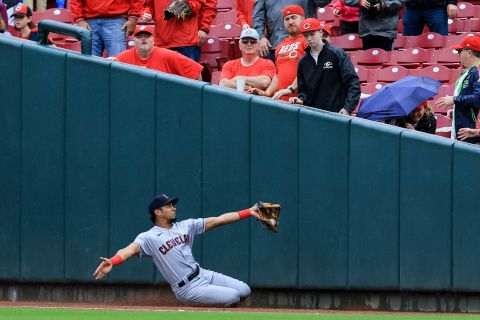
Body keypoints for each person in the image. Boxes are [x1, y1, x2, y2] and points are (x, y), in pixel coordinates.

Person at [93, 193, 260, 306]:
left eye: (173, 205)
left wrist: (249, 212)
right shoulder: (149, 237)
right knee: (232, 296)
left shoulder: (186, 226)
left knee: (245, 290)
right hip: (187, 288)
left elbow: (219, 220)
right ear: (157, 212)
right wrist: (113, 262)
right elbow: (129, 250)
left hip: (202, 274)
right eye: (169, 206)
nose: (173, 208)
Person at [289, 18, 360, 115]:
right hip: (312, 115)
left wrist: (348, 108)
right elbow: (303, 90)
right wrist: (300, 99)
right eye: (306, 36)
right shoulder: (303, 61)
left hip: (337, 114)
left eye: (312, 34)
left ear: (320, 32)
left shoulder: (337, 53)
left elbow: (353, 82)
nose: (309, 39)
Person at [249, 5, 306, 101]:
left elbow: (309, 70)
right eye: (287, 19)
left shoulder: (307, 41)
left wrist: (291, 89)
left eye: (294, 17)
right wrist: (267, 92)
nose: (290, 22)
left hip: (302, 99)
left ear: (303, 19)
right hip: (284, 101)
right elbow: (277, 75)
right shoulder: (280, 46)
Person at [109, 25, 204, 80]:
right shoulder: (124, 57)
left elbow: (196, 72)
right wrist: (108, 65)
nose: (143, 39)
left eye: (147, 36)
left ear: (154, 40)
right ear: (134, 41)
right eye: (139, 36)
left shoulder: (168, 55)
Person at [436, 35, 480, 144]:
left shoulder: (478, 70)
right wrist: (456, 109)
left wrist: (455, 100)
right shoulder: (467, 71)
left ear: (469, 52)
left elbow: (477, 99)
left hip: (473, 132)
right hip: (464, 131)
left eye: (460, 51)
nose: (458, 54)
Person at [252, 0, 331, 60]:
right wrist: (260, 36)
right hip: (276, 44)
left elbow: (323, 1)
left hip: (306, 43)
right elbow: (257, 17)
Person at [141, 0, 217, 62]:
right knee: (163, 79)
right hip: (162, 40)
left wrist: (204, 28)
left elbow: (209, 4)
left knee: (188, 79)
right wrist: (146, 13)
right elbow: (148, 5)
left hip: (186, 41)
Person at [70, 0, 143, 57]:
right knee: (88, 64)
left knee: (117, 61)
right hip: (89, 22)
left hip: (116, 20)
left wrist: (134, 18)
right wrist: (79, 19)